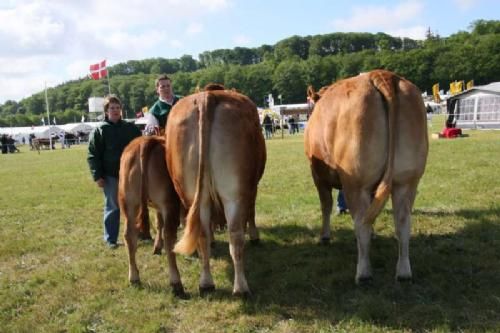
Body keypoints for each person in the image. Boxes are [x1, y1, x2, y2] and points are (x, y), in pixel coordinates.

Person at [87, 95, 141, 249]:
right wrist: (97, 175)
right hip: (110, 175)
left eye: (117, 108)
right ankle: (111, 239)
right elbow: (93, 155)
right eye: (112, 108)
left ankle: (137, 232)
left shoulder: (131, 128)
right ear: (106, 111)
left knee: (134, 205)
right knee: (113, 206)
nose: (115, 111)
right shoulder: (100, 130)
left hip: (131, 175)